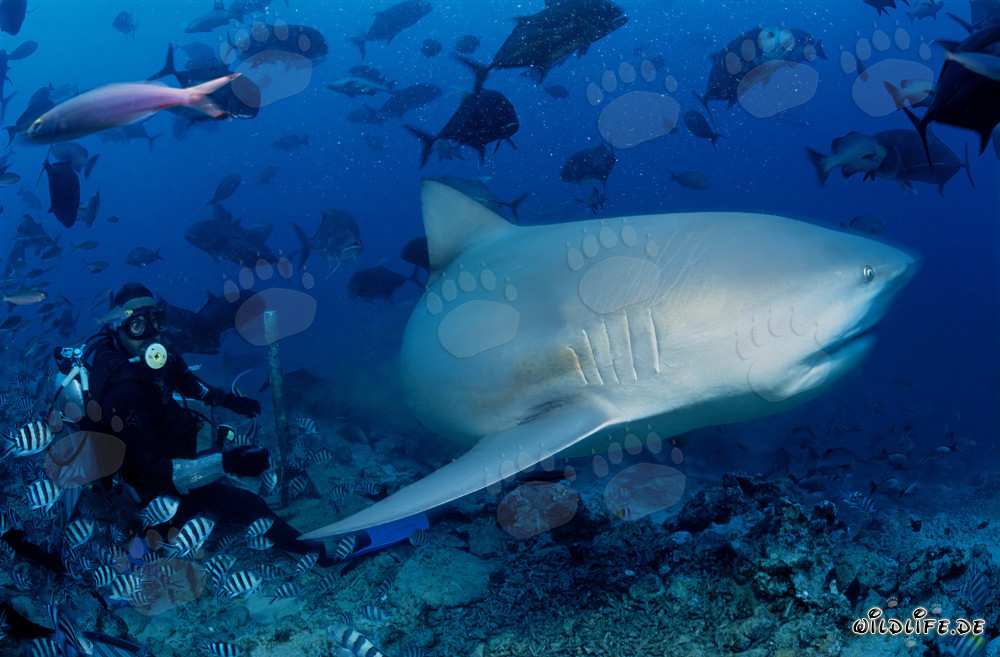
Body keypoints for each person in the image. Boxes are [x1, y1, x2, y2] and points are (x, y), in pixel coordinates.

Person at [56, 282, 325, 560]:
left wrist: (232, 401)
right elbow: (157, 472)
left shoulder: (160, 355)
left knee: (214, 468)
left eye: (155, 321)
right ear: (119, 329)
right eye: (137, 325)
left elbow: (196, 388)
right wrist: (227, 463)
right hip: (144, 487)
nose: (149, 334)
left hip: (162, 459)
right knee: (249, 504)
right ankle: (320, 554)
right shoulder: (122, 392)